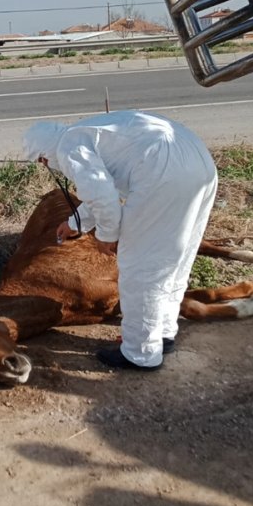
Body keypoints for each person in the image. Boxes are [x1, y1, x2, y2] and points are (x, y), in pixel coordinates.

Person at [22, 110, 218, 370]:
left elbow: (103, 197)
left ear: (44, 154)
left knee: (141, 267)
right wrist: (74, 224)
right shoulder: (85, 133)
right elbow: (103, 187)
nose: (46, 165)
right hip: (199, 165)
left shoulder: (68, 147)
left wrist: (106, 237)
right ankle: (162, 334)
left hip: (165, 173)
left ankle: (140, 353)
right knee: (173, 261)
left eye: (42, 161)